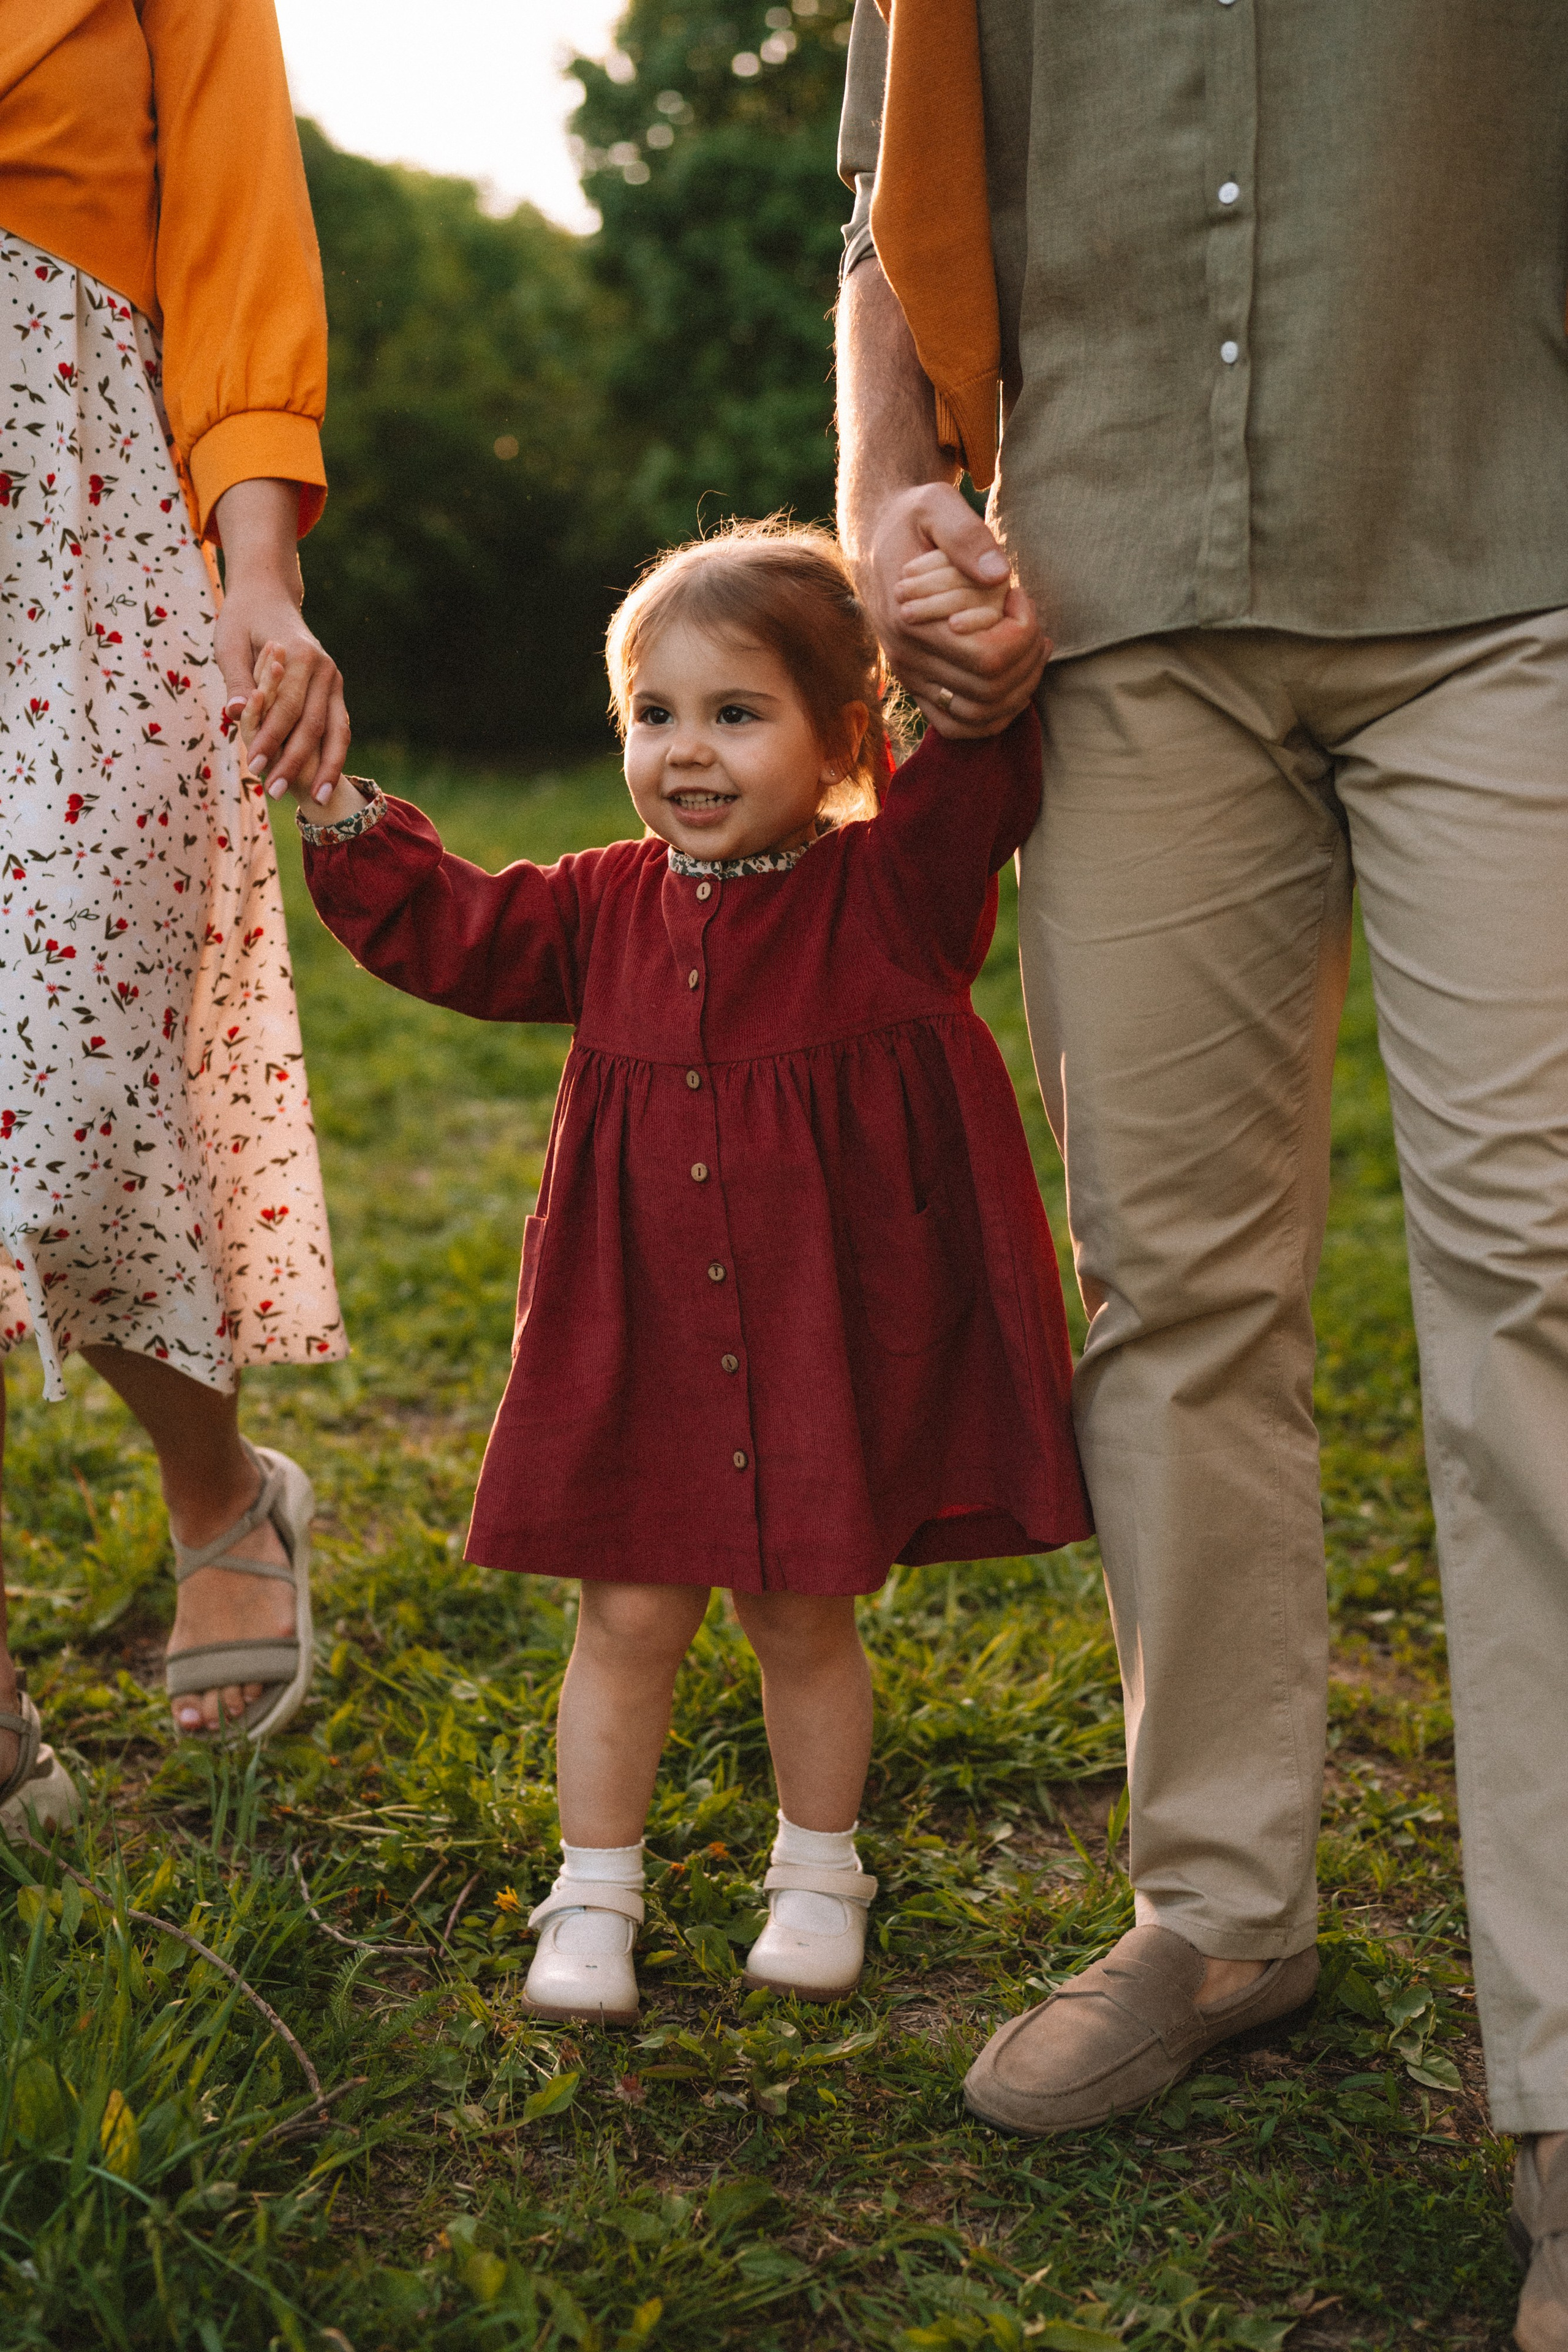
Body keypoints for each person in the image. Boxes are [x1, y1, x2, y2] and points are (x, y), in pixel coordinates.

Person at [833, 4, 1568, 2342]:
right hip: (1122, 599)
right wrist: (887, 498)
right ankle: (1224, 1907)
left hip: (1512, 560)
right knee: (1170, 1282)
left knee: (1538, 1278)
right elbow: (897, 208)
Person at [276, 522, 1091, 2021]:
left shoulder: (892, 891)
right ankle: (593, 1888)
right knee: (627, 1615)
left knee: (801, 1614)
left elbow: (982, 767)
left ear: (845, 737)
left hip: (814, 1329)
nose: (686, 753)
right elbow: (454, 933)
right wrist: (341, 813)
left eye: (737, 713)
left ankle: (819, 1867)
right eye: (654, 715)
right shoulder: (598, 903)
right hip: (641, 1328)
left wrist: (965, 642)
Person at [0, 0, 352, 1825]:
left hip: (80, 518)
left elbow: (232, 217)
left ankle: (216, 1485)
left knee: (65, 1110)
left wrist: (260, 564)